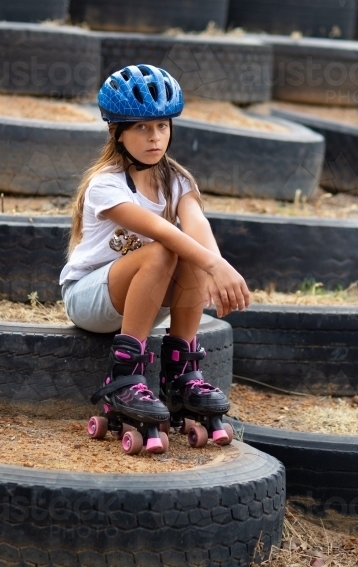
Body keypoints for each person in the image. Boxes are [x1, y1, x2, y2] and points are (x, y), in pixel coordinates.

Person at [60, 64, 250, 455]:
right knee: (168, 245)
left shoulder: (178, 181)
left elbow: (195, 225)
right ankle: (126, 378)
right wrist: (215, 266)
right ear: (118, 132)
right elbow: (163, 232)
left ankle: (181, 375)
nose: (154, 137)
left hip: (144, 298)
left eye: (162, 126)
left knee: (188, 249)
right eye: (142, 128)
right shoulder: (105, 185)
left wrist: (215, 263)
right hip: (89, 297)